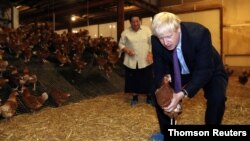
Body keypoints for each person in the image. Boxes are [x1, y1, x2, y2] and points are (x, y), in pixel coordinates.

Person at [150, 12, 228, 138]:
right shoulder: (155, 40)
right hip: (179, 69)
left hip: (208, 67)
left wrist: (181, 94)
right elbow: (159, 70)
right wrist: (164, 87)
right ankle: (166, 132)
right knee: (158, 92)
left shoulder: (199, 34)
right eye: (161, 37)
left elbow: (204, 70)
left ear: (178, 28)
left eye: (169, 36)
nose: (165, 42)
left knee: (217, 97)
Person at [118, 15, 153, 106]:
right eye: (133, 22)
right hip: (131, 61)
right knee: (133, 80)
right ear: (130, 23)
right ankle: (134, 98)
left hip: (145, 60)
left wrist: (150, 53)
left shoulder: (147, 30)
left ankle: (149, 97)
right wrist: (127, 50)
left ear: (140, 21)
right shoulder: (125, 32)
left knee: (147, 79)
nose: (135, 23)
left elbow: (151, 43)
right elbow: (121, 44)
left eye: (137, 21)